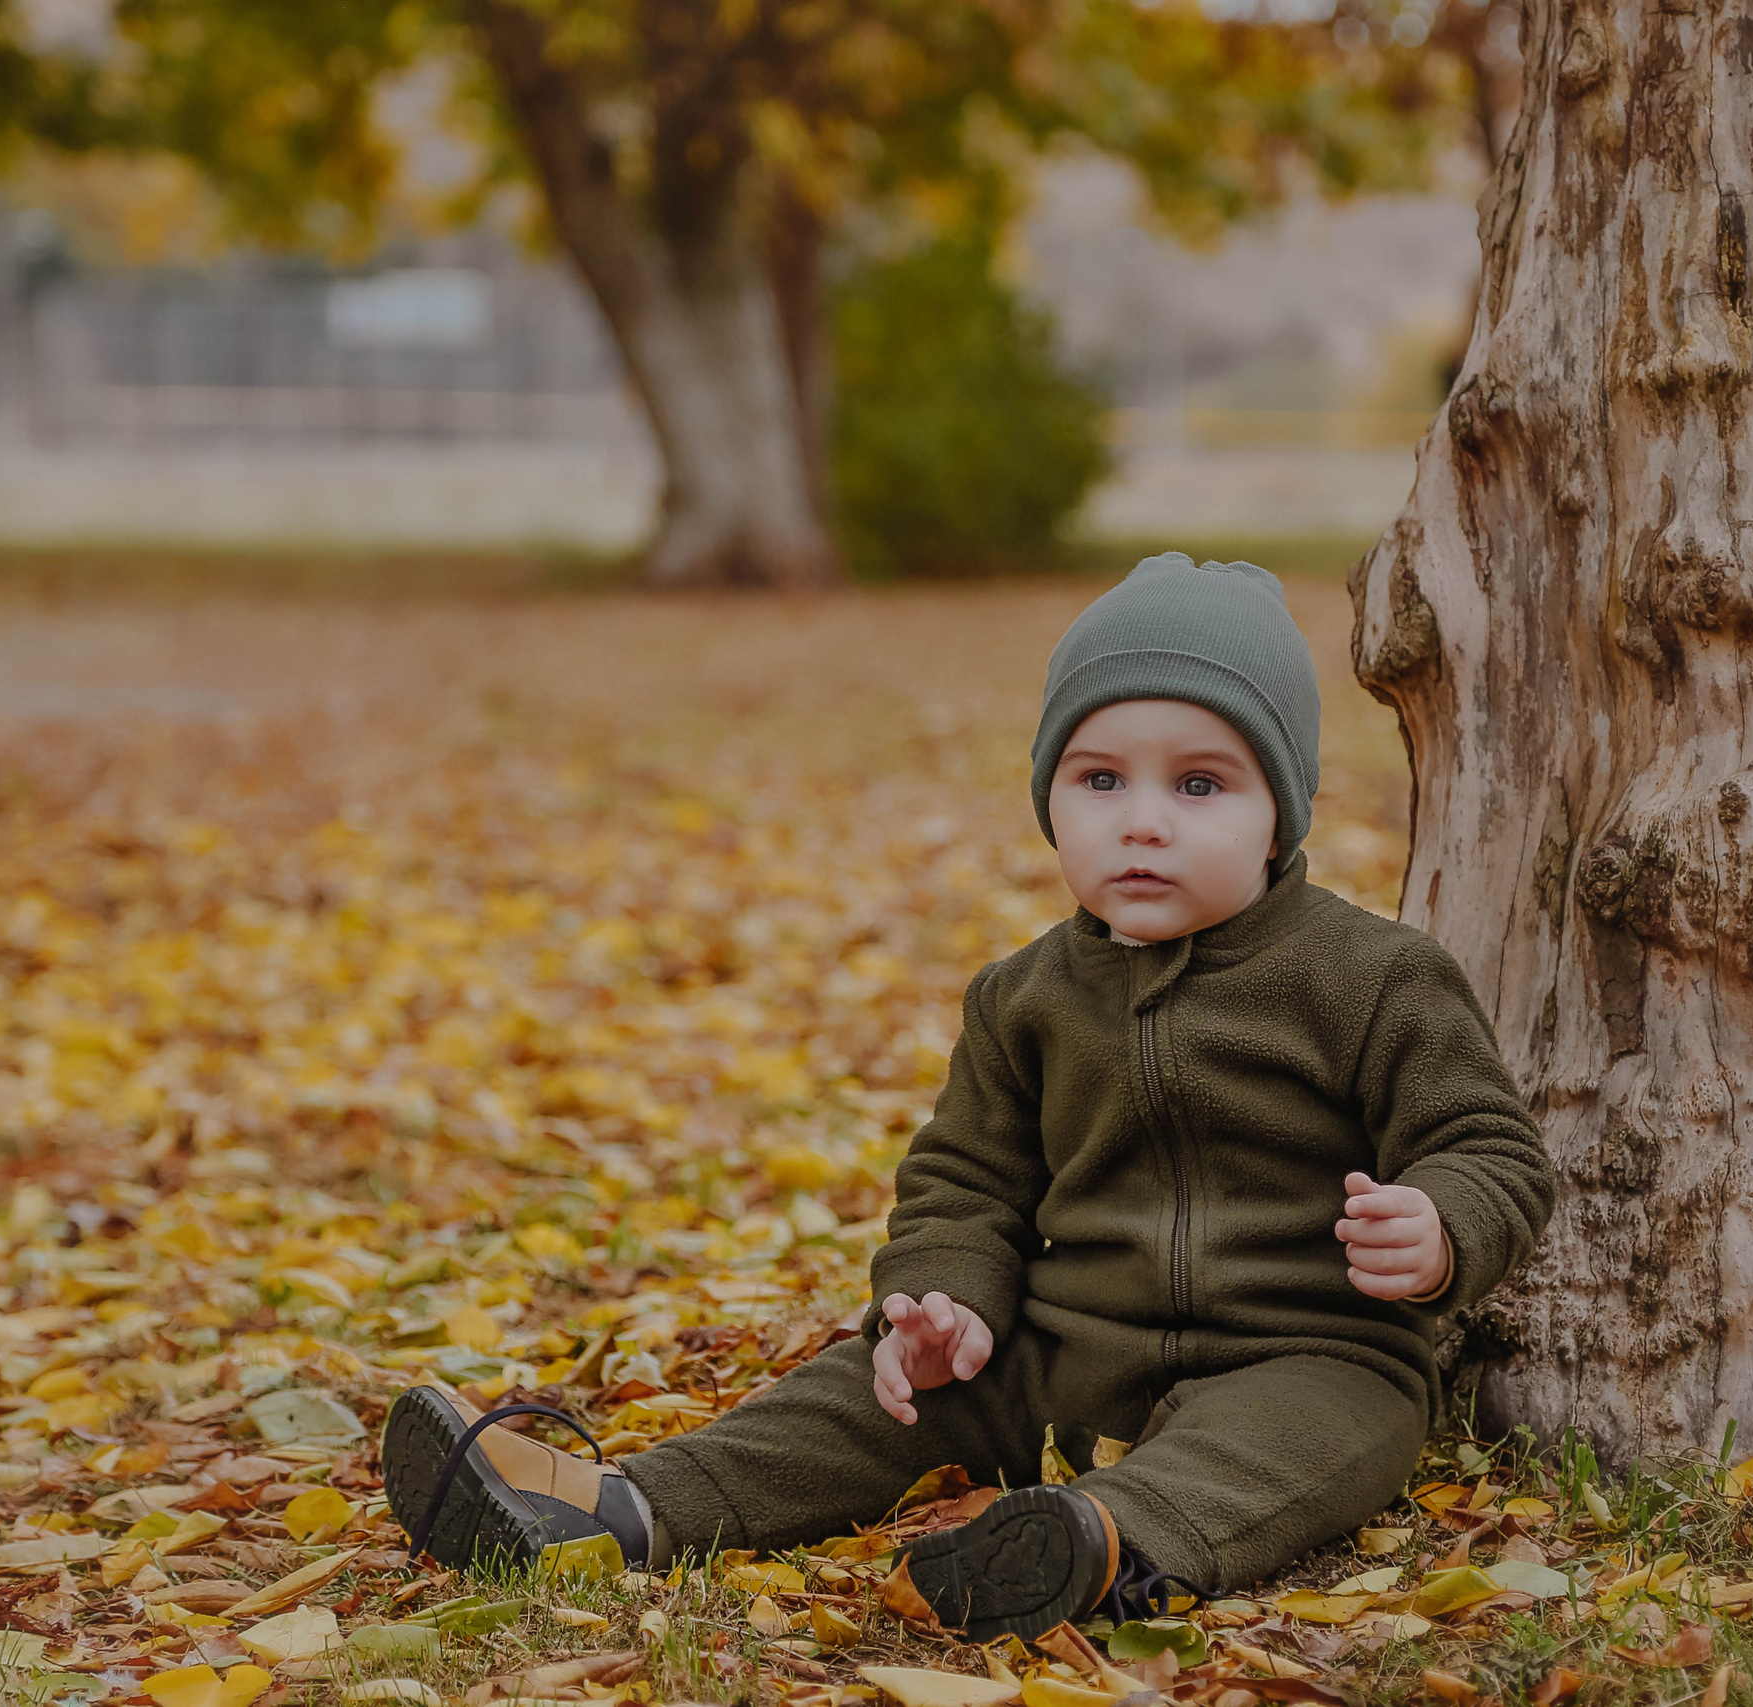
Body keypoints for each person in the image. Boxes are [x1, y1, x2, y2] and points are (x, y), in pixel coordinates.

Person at [376, 552, 1554, 1640]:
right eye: (1100, 779)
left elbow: (1487, 1144)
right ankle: (622, 1509)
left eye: (1200, 784)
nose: (1141, 820)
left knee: (1306, 1441)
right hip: (1063, 1345)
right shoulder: (1024, 997)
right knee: (874, 1389)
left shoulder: (1370, 975)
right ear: (1052, 797)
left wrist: (1441, 1226)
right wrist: (947, 1303)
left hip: (1302, 1347)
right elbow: (967, 1179)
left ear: (1280, 811)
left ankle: (1098, 1546)